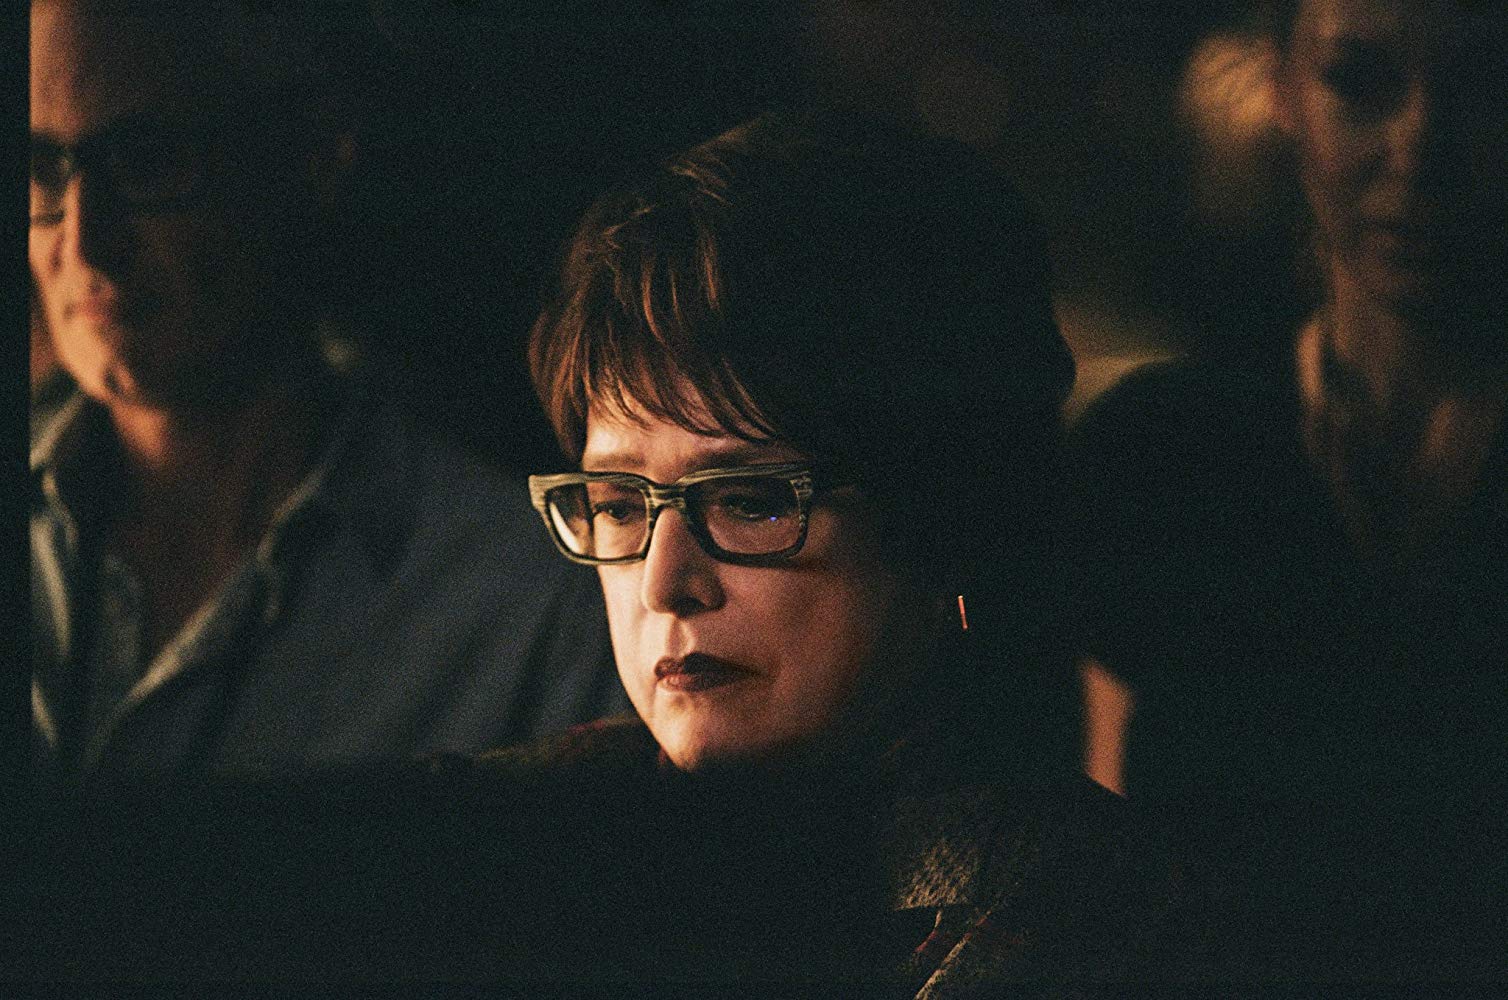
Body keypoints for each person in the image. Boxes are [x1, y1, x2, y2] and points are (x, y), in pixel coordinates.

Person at [479, 112, 1175, 993]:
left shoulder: (1089, 920)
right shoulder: (510, 837)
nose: (664, 583)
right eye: (620, 505)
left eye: (749, 500)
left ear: (941, 512)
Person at [27, 0, 625, 797]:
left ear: (312, 147)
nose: (83, 240)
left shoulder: (527, 601)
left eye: (148, 160)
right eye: (42, 168)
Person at [1072, 0, 1508, 978]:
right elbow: (1106, 869)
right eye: (1358, 80)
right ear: (1283, 90)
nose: (1419, 149)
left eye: (1486, 84)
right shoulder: (1160, 456)